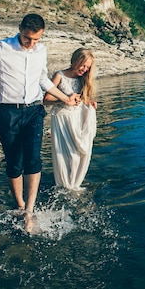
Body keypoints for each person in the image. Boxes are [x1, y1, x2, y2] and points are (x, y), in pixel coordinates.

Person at [0, 13, 80, 229]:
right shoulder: (2, 48)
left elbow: (42, 79)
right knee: (14, 162)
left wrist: (66, 98)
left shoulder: (41, 51)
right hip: (8, 112)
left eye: (36, 39)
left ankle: (29, 210)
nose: (31, 44)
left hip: (34, 111)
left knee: (33, 160)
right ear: (20, 29)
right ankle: (19, 205)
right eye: (28, 38)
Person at [44, 48, 98, 191]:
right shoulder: (59, 75)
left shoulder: (83, 79)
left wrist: (89, 103)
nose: (84, 69)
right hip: (62, 118)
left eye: (87, 67)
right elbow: (46, 100)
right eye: (83, 65)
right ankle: (65, 185)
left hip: (78, 117)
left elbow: (82, 99)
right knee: (70, 156)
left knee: (81, 154)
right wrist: (64, 100)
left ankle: (73, 184)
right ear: (75, 60)